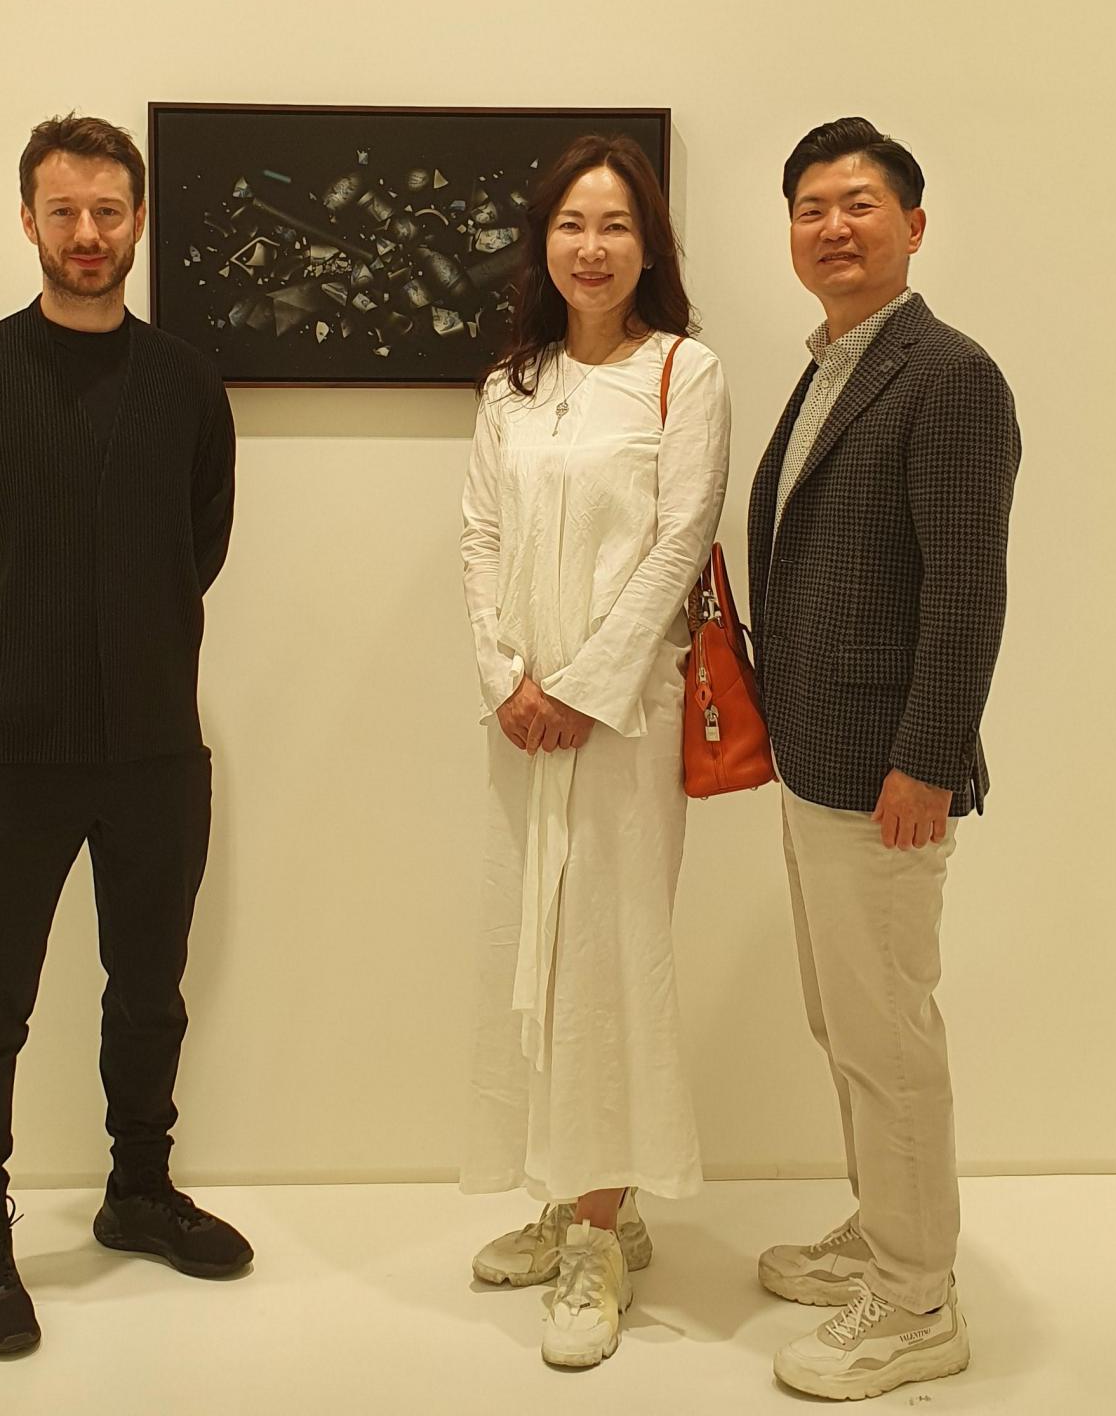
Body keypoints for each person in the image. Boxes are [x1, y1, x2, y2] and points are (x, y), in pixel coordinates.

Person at [0, 113, 250, 1359]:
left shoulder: (185, 383)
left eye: (107, 211)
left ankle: (137, 1190)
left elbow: (200, 541)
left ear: (137, 222)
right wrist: (1, 646)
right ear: (28, 220)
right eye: (64, 211)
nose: (87, 233)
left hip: (156, 746)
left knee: (148, 990)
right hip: (14, 750)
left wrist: (132, 641)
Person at [745, 116, 1019, 1399]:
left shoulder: (948, 375)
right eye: (810, 208)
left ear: (913, 225)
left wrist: (927, 757)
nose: (832, 227)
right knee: (843, 1021)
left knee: (889, 1035)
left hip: (887, 772)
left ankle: (917, 1303)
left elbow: (968, 590)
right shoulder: (832, 366)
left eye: (858, 204)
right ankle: (885, 1230)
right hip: (819, 756)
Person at [458, 134, 730, 1370]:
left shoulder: (684, 372)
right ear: (544, 241)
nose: (593, 246)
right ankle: (575, 1189)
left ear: (649, 245)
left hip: (624, 720)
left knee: (612, 957)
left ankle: (600, 1235)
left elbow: (681, 542)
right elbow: (479, 538)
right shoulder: (512, 385)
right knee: (533, 949)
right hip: (524, 723)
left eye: (616, 223)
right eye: (573, 222)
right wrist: (507, 680)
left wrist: (582, 688)